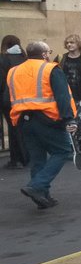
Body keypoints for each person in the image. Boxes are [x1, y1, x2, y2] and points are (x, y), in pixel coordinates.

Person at [7, 40, 77, 209]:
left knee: (37, 159)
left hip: (23, 120)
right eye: (49, 51)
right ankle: (37, 186)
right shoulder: (50, 69)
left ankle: (42, 197)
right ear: (45, 54)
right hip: (47, 119)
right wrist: (69, 119)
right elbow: (62, 97)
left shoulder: (13, 71)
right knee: (63, 150)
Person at [55, 33, 81, 158]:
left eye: (72, 42)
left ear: (78, 44)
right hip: (66, 97)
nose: (69, 45)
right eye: (67, 43)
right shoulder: (60, 59)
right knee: (68, 122)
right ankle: (70, 147)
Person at [0, 34, 28, 169]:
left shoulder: (3, 59)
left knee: (13, 128)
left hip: (8, 99)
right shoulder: (24, 58)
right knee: (23, 127)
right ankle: (26, 157)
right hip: (25, 98)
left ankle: (16, 159)